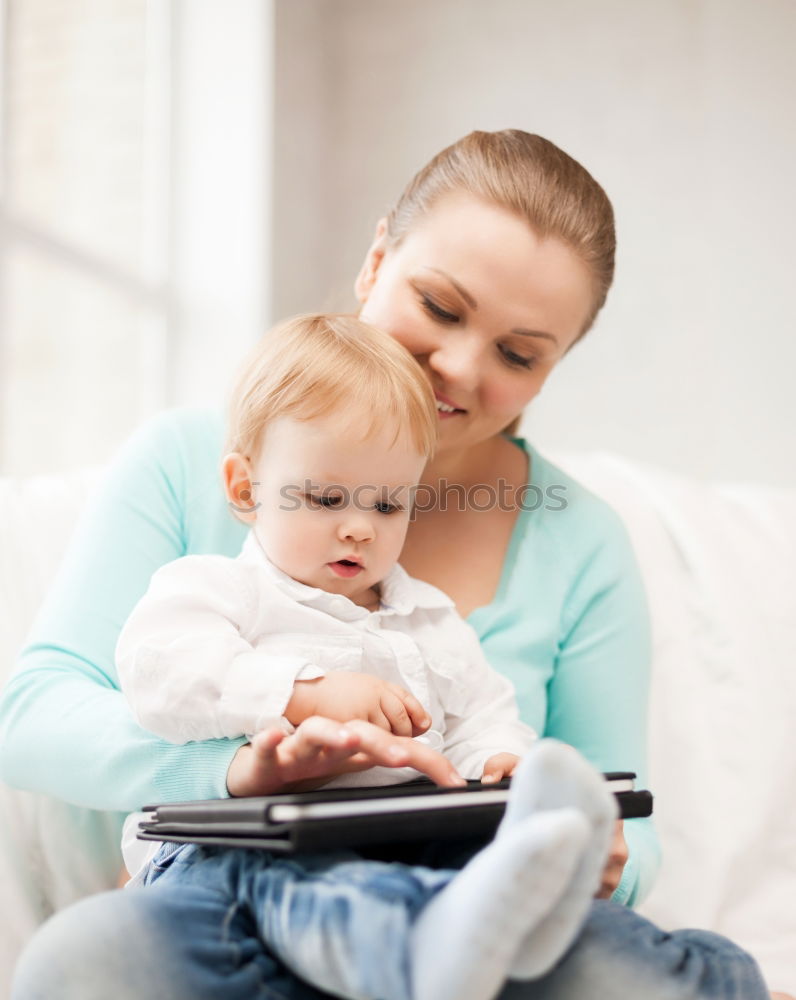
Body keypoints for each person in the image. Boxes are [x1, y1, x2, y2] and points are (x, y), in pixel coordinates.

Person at [1, 130, 772, 998]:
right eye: (440, 307)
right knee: (88, 968)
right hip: (245, 887)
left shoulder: (577, 542)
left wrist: (587, 845)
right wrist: (232, 772)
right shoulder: (193, 460)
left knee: (616, 972)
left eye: (518, 354)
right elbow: (36, 715)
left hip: (468, 904)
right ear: (377, 260)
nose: (457, 367)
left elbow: (611, 802)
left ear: (554, 368)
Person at [114, 311, 618, 1000]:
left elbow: (482, 714)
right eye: (325, 497)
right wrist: (303, 692)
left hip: (394, 842)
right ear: (243, 487)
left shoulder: (430, 619)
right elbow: (158, 671)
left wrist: (498, 760)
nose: (359, 526)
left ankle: (673, 959)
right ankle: (416, 950)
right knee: (293, 879)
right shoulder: (222, 591)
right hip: (236, 849)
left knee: (480, 863)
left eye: (388, 505)